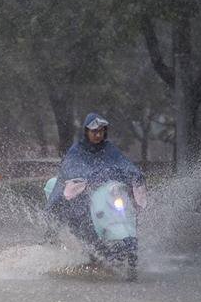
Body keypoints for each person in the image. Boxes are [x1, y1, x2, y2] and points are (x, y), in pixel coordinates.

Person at [45, 112, 147, 270]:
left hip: (105, 193)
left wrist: (135, 174)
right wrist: (84, 177)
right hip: (82, 194)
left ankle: (119, 243)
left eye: (101, 131)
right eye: (94, 131)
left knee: (124, 208)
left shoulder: (109, 149)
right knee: (81, 216)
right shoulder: (77, 150)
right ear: (86, 132)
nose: (98, 135)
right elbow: (71, 166)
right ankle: (89, 248)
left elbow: (123, 163)